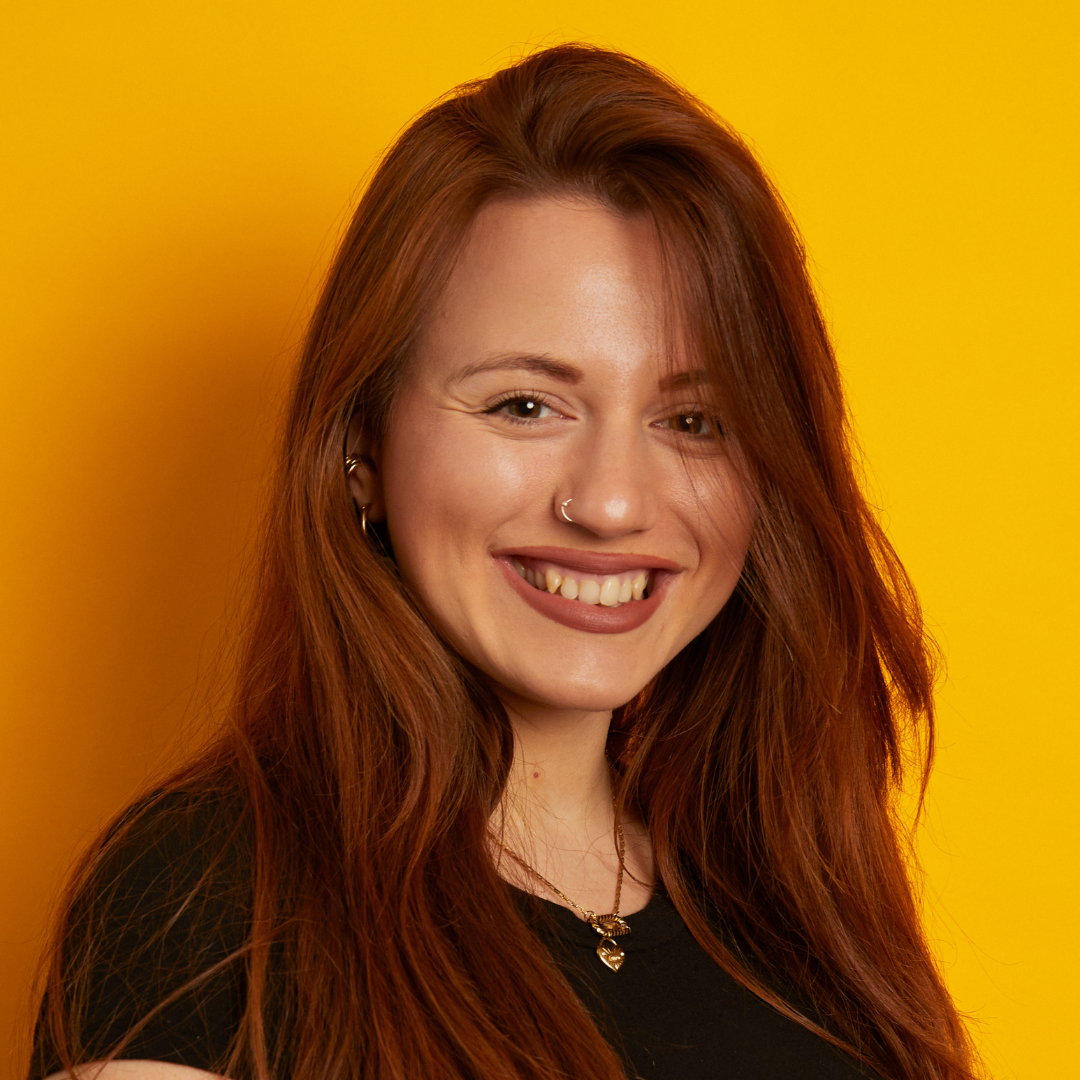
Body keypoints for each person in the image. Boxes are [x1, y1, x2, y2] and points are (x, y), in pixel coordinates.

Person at [29, 44, 981, 1080]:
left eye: (693, 420)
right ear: (362, 448)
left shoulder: (806, 910)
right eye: (525, 405)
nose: (611, 503)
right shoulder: (202, 903)